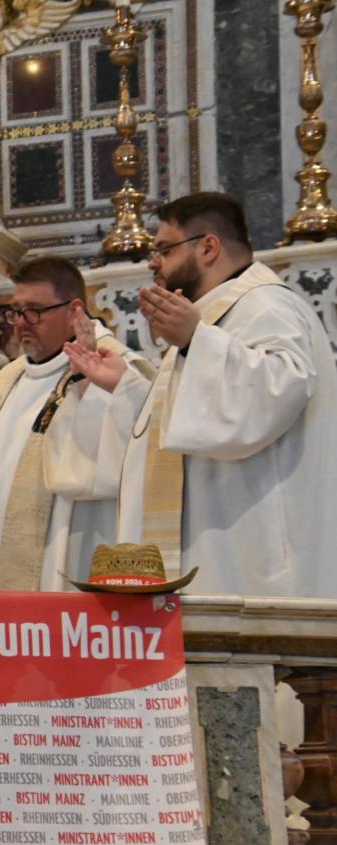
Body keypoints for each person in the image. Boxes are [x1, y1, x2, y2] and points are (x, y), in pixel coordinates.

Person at [58, 192, 337, 598]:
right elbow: (191, 423)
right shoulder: (211, 318)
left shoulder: (267, 306)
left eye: (164, 249)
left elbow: (272, 393)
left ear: (208, 247)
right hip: (219, 546)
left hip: (251, 555)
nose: (152, 262)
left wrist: (195, 341)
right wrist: (130, 386)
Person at [0, 256, 154, 591]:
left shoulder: (112, 369)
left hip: (61, 562)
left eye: (35, 311)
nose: (21, 323)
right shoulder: (7, 379)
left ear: (75, 311)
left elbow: (120, 461)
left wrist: (88, 386)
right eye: (15, 311)